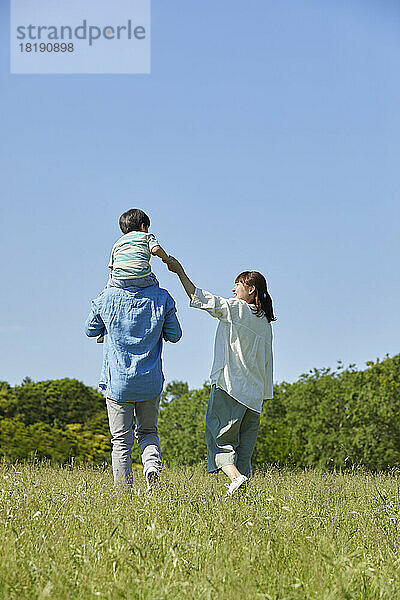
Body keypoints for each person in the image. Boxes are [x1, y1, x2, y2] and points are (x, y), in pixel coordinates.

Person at [167, 257, 275, 498]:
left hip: (231, 387)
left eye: (237, 285)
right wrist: (263, 396)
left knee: (218, 438)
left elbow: (201, 298)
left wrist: (179, 271)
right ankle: (242, 496)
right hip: (254, 397)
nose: (233, 289)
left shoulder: (238, 309)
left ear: (251, 289)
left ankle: (235, 479)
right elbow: (268, 363)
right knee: (244, 453)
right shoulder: (265, 323)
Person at [84, 273, 182, 489]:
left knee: (121, 441)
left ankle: (124, 494)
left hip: (118, 383)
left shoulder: (107, 297)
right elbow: (175, 335)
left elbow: (90, 330)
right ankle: (151, 467)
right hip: (150, 381)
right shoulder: (162, 297)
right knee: (148, 432)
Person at [97, 208, 171, 343]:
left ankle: (103, 327)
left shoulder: (117, 244)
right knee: (156, 289)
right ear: (143, 226)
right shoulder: (147, 237)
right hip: (142, 277)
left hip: (119, 279)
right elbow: (156, 249)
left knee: (104, 294)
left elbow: (112, 269)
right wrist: (166, 259)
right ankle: (162, 324)